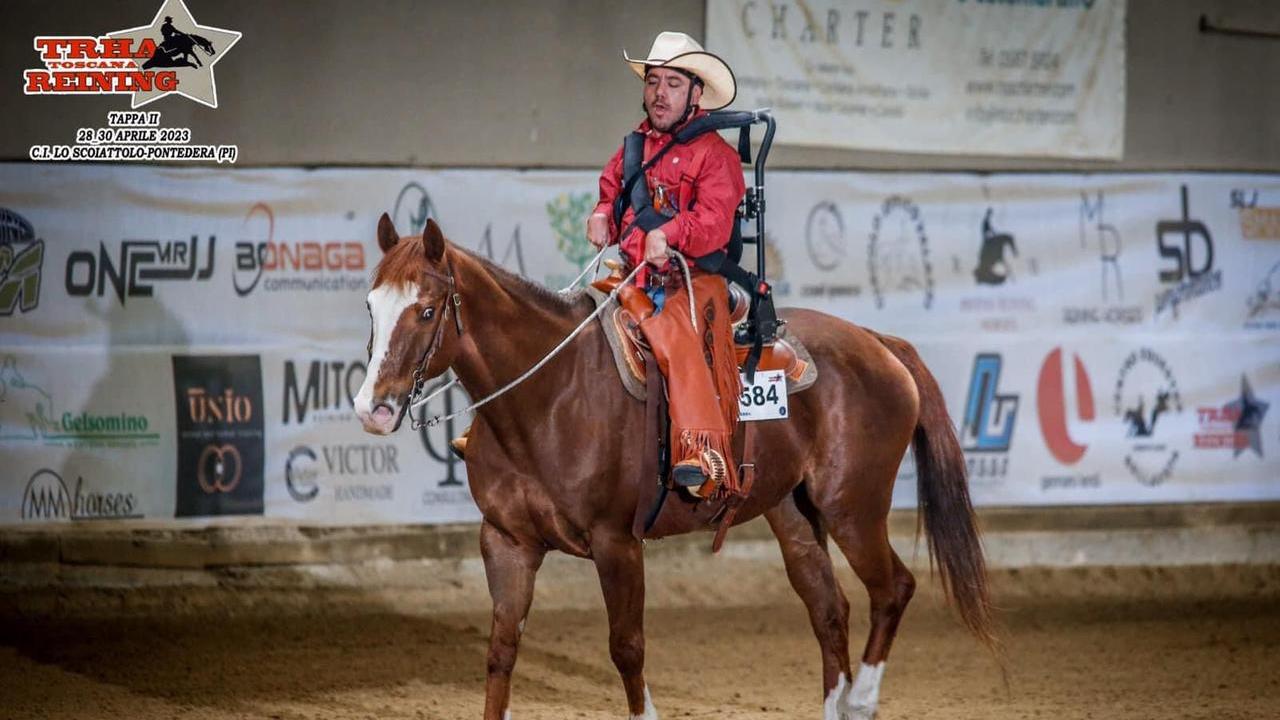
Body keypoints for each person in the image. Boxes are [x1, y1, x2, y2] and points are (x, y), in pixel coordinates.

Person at [588, 31, 746, 497]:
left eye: (673, 83)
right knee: (573, 321)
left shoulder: (717, 156)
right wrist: (601, 213)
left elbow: (714, 223)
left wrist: (670, 234)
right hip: (633, 278)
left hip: (693, 282)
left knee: (675, 335)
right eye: (653, 81)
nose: (660, 93)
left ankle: (702, 451)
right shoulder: (633, 147)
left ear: (696, 93)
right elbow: (612, 190)